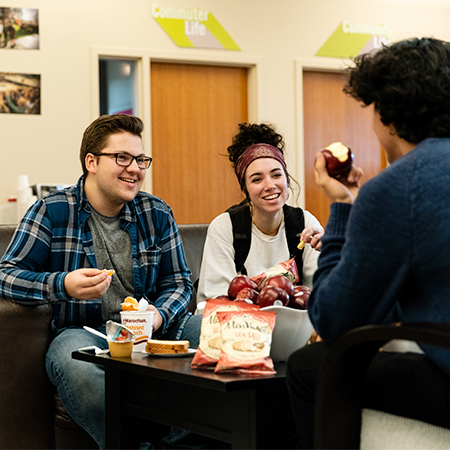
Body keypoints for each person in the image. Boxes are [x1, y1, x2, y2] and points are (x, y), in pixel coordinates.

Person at [286, 37, 450, 449]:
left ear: (389, 116)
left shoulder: (399, 186)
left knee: (310, 367)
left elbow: (335, 319)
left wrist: (342, 206)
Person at [0, 114, 200, 449]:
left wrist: (159, 316)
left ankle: (174, 444)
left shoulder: (157, 213)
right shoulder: (51, 210)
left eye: (140, 159)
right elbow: (6, 275)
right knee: (76, 370)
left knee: (219, 337)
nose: (134, 168)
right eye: (122, 157)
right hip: (82, 333)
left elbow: (179, 281)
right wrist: (62, 285)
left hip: (155, 331)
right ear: (91, 161)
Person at [196, 122, 323, 308]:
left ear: (287, 180)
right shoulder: (225, 227)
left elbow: (325, 295)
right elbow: (214, 303)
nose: (269, 185)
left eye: (276, 175)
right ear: (245, 190)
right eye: (257, 179)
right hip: (242, 329)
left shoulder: (306, 223)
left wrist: (330, 252)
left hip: (296, 330)